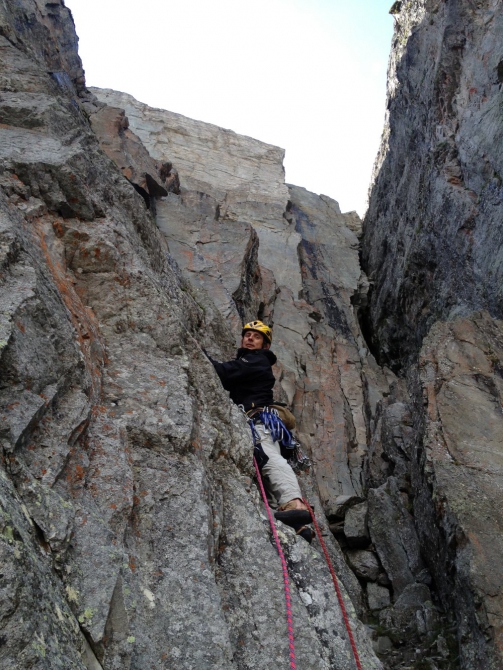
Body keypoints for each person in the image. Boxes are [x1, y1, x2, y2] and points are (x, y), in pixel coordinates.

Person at [208, 320, 314, 542]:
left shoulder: (257, 360)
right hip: (260, 420)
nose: (249, 338)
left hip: (259, 420)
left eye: (256, 337)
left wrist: (202, 357)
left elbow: (225, 373)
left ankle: (294, 503)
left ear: (265, 345)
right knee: (264, 466)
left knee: (269, 458)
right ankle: (297, 525)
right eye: (247, 334)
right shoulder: (254, 360)